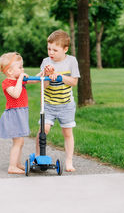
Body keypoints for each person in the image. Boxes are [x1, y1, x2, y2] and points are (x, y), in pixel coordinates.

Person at [36, 30, 80, 172]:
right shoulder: (46, 62)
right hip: (48, 104)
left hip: (66, 105)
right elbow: (44, 85)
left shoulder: (71, 61)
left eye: (55, 50)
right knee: (44, 130)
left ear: (65, 49)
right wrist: (47, 76)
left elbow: (74, 82)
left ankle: (69, 161)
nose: (51, 52)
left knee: (67, 133)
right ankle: (38, 157)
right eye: (49, 49)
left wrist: (59, 76)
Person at [0, 52, 30, 174]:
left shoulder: (18, 80)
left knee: (21, 141)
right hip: (14, 114)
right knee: (17, 141)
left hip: (21, 113)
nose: (23, 69)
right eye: (20, 67)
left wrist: (43, 75)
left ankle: (17, 163)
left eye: (22, 67)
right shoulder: (7, 83)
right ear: (10, 71)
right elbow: (16, 94)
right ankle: (12, 166)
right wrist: (20, 79)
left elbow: (34, 81)